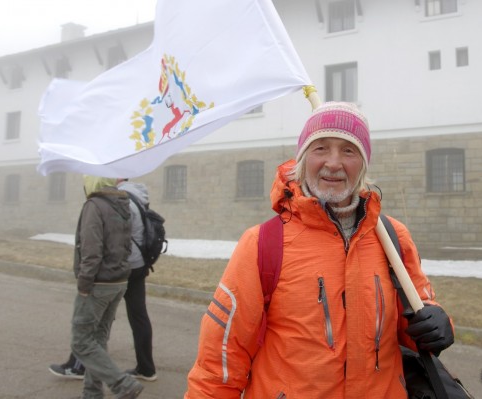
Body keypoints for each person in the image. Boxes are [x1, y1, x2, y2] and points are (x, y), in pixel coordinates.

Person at [184, 102, 454, 398]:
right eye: (321, 148)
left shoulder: (393, 238)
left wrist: (436, 322)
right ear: (302, 159)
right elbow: (221, 358)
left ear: (363, 164)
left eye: (349, 150)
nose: (334, 163)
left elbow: (417, 316)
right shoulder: (263, 243)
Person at [49, 179, 157, 382]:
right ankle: (147, 368)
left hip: (120, 267)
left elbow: (110, 238)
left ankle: (79, 366)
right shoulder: (138, 197)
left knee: (94, 321)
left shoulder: (119, 200)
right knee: (138, 316)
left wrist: (88, 276)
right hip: (138, 264)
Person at [69, 176, 143, 399]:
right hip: (118, 281)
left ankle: (122, 384)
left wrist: (84, 284)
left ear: (94, 181)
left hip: (98, 283)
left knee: (81, 342)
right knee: (98, 341)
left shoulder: (94, 205)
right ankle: (92, 394)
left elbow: (92, 250)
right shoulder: (122, 202)